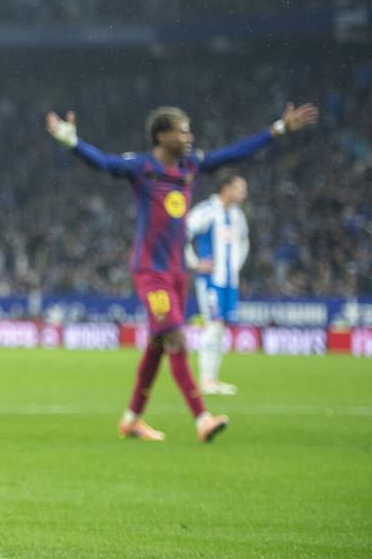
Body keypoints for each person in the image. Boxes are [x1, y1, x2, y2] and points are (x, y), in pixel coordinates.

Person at [46, 102, 317, 442]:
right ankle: (202, 418)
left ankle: (132, 418)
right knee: (176, 337)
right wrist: (72, 142)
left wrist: (278, 129)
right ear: (162, 135)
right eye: (182, 130)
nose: (189, 136)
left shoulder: (191, 166)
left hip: (177, 273)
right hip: (150, 272)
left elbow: (234, 153)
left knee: (158, 346)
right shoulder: (142, 167)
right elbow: (104, 163)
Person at [185, 172, 249, 395]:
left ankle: (213, 379)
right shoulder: (207, 211)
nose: (244, 193)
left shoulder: (237, 215)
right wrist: (193, 263)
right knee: (214, 325)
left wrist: (235, 268)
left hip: (229, 281)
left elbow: (244, 243)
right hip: (210, 280)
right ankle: (205, 381)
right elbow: (183, 233)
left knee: (221, 328)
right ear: (226, 188)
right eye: (240, 188)